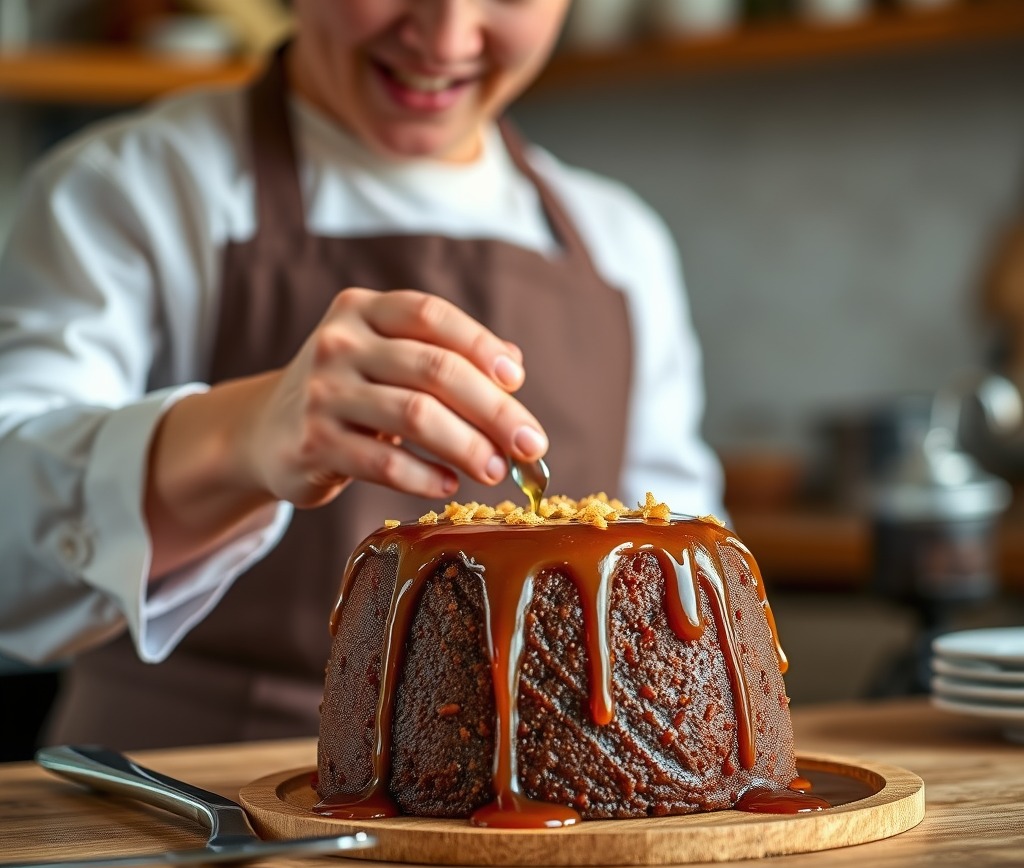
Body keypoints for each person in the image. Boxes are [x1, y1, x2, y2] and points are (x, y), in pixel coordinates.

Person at [0, 0, 723, 749]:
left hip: (555, 826)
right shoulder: (132, 189)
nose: (446, 38)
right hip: (189, 807)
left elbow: (684, 593)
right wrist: (239, 436)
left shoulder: (619, 244)